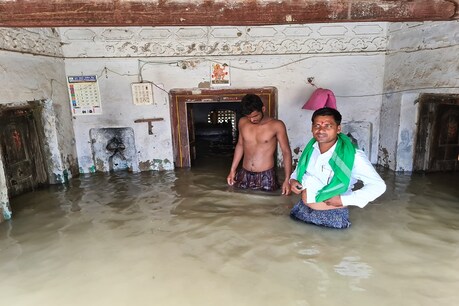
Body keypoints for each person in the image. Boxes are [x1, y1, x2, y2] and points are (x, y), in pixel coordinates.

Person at [289, 107, 386, 228]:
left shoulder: (353, 156)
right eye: (317, 125)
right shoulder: (311, 149)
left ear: (338, 129)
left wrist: (344, 200)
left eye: (328, 126)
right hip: (302, 209)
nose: (321, 130)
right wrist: (292, 180)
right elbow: (299, 170)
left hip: (331, 215)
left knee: (330, 246)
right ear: (312, 128)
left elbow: (378, 186)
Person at [227, 94, 292, 195]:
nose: (252, 120)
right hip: (244, 173)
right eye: (249, 117)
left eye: (255, 116)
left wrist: (287, 179)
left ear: (263, 109)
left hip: (266, 176)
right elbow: (240, 145)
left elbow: (286, 152)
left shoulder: (277, 125)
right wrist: (232, 170)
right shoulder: (242, 122)